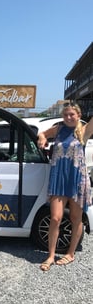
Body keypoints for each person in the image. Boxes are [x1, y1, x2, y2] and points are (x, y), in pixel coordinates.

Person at [37, 102, 93, 271]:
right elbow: (42, 133)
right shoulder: (59, 129)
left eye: (72, 115)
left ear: (79, 115)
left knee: (76, 219)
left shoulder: (84, 131)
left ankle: (70, 254)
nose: (69, 117)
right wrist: (42, 138)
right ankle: (51, 256)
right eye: (66, 114)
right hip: (58, 179)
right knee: (55, 218)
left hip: (77, 180)